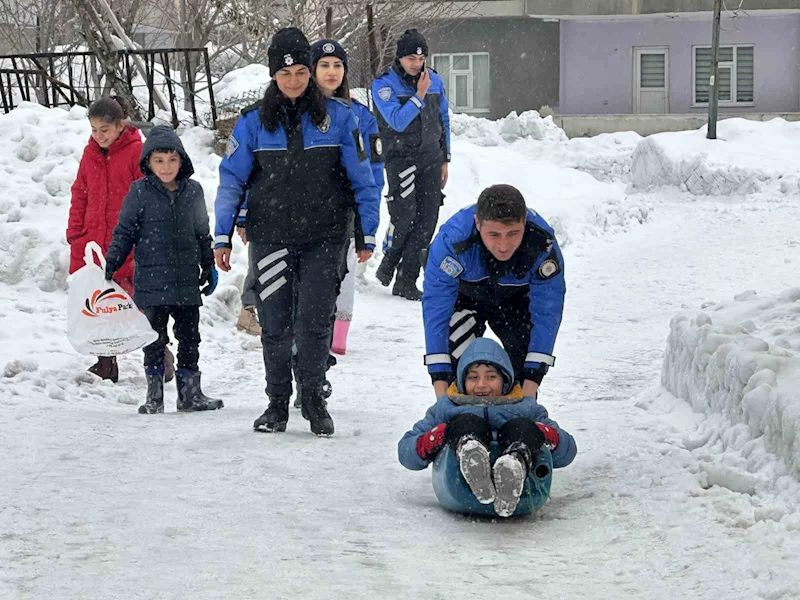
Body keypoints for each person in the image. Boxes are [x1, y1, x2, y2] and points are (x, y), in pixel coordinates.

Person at [213, 28, 380, 436]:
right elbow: (232, 180)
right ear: (274, 74)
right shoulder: (252, 122)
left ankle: (314, 399)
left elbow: (363, 179)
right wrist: (222, 233)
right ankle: (275, 405)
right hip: (271, 236)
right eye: (285, 73)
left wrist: (366, 232)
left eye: (302, 71)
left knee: (314, 321)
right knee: (275, 322)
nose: (293, 80)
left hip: (325, 236)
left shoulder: (340, 118)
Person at [105, 125, 223, 415]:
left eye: (172, 159)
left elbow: (201, 232)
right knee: (154, 340)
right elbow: (124, 233)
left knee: (190, 338)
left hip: (185, 282)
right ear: (148, 162)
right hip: (152, 283)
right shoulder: (139, 192)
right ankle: (154, 395)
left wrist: (208, 266)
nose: (166, 166)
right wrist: (110, 266)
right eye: (159, 160)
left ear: (182, 160)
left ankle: (189, 394)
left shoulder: (193, 191)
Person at [398, 337, 577, 517]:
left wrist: (542, 433)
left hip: (523, 491)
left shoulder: (525, 407)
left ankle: (514, 465)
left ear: (505, 380)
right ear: (462, 381)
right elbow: (406, 452)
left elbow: (567, 451)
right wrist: (439, 435)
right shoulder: (447, 408)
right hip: (458, 484)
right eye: (473, 377)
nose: (481, 384)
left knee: (522, 427)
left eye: (491, 376)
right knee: (465, 423)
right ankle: (472, 456)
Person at [422, 184, 566, 399]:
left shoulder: (543, 247)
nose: (504, 245)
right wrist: (440, 384)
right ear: (477, 223)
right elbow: (436, 308)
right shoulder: (452, 243)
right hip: (465, 299)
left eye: (513, 233)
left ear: (524, 223)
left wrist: (529, 388)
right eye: (494, 234)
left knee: (520, 370)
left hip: (516, 302)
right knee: (462, 371)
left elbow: (547, 312)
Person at [67, 97, 173, 383]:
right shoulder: (90, 154)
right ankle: (105, 362)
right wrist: (75, 232)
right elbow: (81, 193)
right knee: (100, 305)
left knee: (137, 304)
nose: (99, 136)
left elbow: (150, 195)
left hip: (129, 243)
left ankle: (159, 354)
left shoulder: (137, 153)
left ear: (120, 125)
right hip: (94, 244)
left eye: (105, 129)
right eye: (93, 130)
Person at [310, 38, 385, 354]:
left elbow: (373, 176)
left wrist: (368, 226)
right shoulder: (299, 112)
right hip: (306, 209)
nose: (331, 72)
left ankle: (339, 335)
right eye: (324, 65)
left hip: (346, 211)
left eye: (338, 65)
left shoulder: (362, 116)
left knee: (345, 272)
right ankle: (311, 330)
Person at [371, 28, 450, 301]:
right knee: (404, 217)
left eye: (420, 58)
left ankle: (406, 279)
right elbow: (397, 121)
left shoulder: (434, 81)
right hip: (400, 158)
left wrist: (445, 158)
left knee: (427, 220)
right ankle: (389, 262)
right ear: (400, 58)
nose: (416, 64)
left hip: (430, 157)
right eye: (410, 59)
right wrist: (419, 94)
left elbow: (444, 122)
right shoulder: (383, 85)